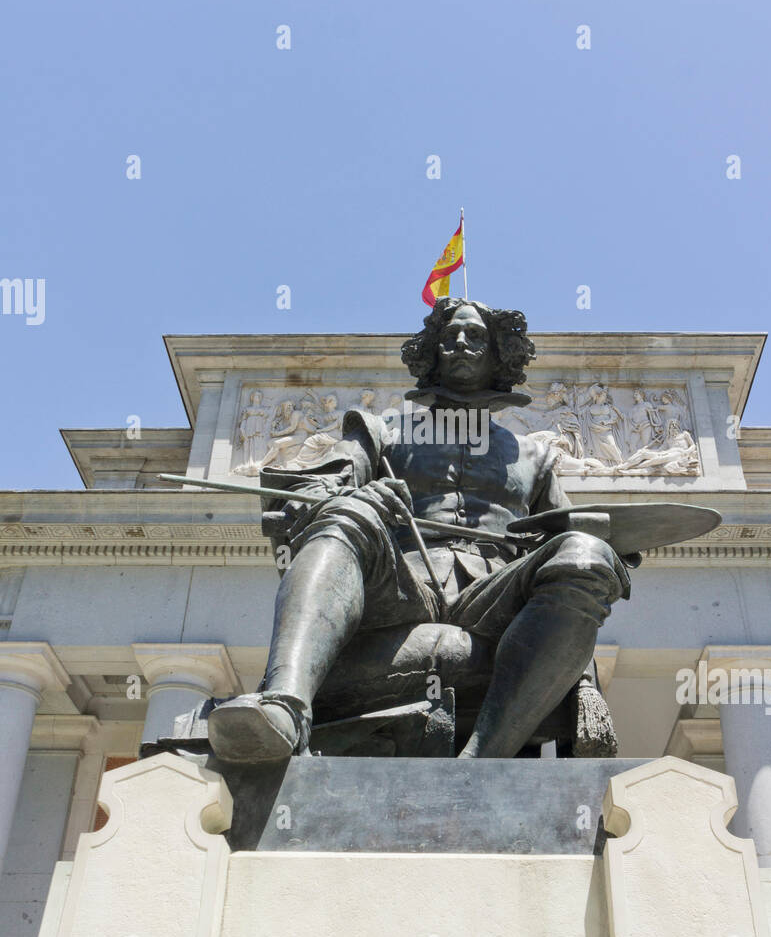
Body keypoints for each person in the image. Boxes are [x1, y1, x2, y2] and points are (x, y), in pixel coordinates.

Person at [207, 300, 631, 763]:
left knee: (585, 553)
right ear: (432, 352)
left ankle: (482, 762)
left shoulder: (536, 456)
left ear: (499, 355)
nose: (461, 343)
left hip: (494, 600)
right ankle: (285, 712)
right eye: (449, 337)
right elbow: (310, 493)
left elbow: (566, 537)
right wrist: (356, 497)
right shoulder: (381, 430)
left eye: (475, 336)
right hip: (395, 592)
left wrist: (601, 544)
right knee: (347, 513)